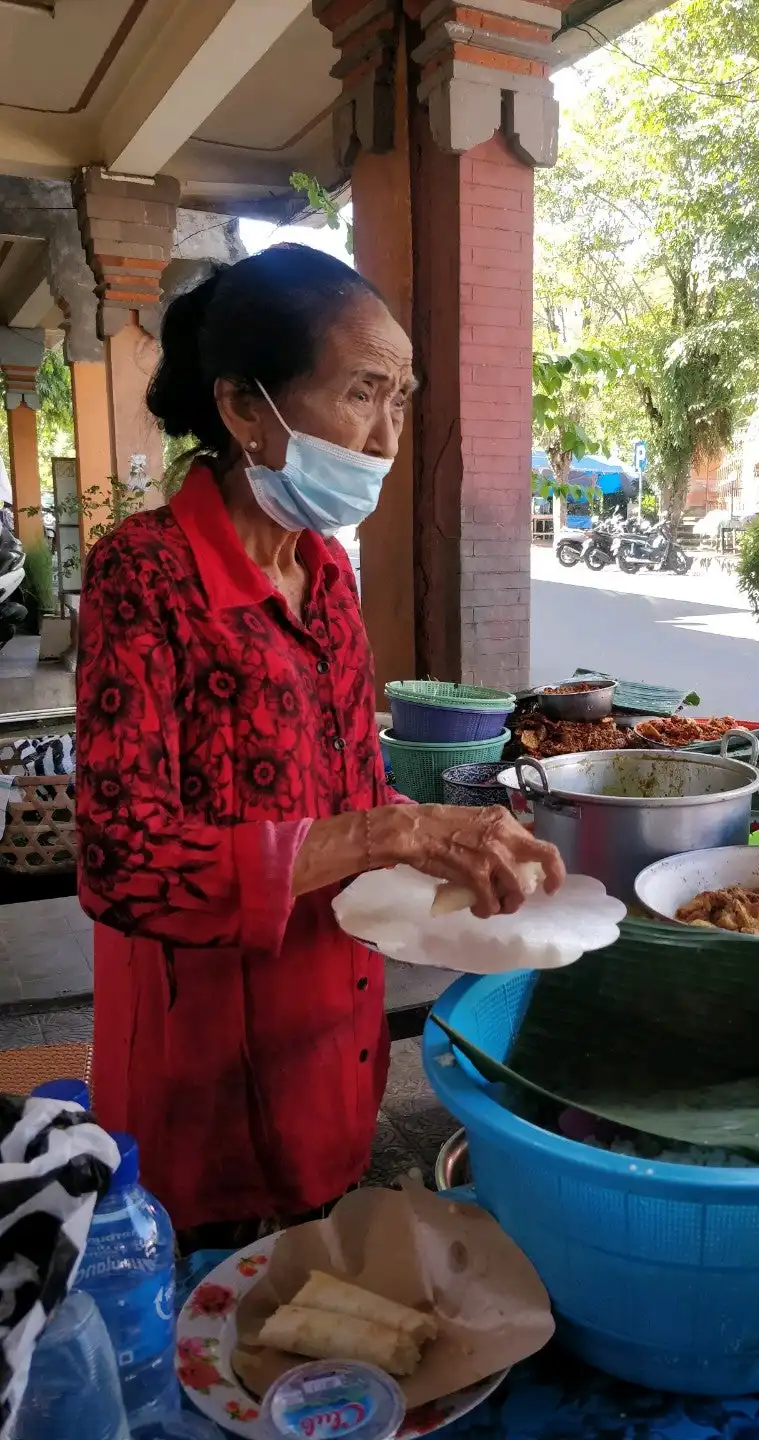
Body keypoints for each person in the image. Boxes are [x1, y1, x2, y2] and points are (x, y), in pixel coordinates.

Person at [75, 244, 564, 1248]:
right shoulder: (145, 575)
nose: (386, 436)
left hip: (331, 1032)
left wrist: (447, 856)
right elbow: (124, 865)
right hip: (201, 1061)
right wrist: (391, 831)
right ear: (246, 409)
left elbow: (354, 793)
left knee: (327, 1274)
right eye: (362, 393)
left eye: (401, 397)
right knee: (217, 1324)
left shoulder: (326, 572)